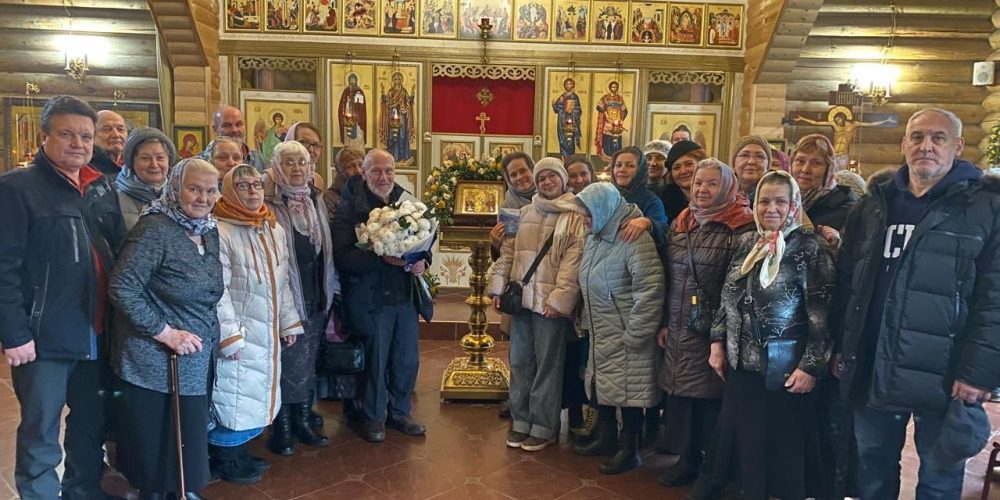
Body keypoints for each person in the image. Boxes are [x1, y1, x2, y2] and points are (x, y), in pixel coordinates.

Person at [831, 108, 1000, 499]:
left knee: (939, 477)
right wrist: (842, 345)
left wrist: (978, 373)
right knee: (871, 468)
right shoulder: (876, 204)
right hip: (875, 361)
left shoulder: (985, 207)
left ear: (957, 146)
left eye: (938, 138)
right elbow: (848, 282)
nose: (927, 146)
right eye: (918, 137)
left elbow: (995, 300)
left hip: (945, 372)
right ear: (904, 143)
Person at [0, 95, 125, 500]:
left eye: (86, 136)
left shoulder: (99, 187)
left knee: (89, 423)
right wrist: (14, 334)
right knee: (41, 428)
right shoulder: (18, 188)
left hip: (97, 328)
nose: (78, 143)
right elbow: (4, 267)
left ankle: (81, 490)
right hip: (45, 337)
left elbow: (117, 249)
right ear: (44, 136)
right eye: (67, 134)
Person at [698, 170, 834, 500]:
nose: (770, 208)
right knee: (745, 438)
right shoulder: (747, 242)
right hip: (742, 364)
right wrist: (717, 342)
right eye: (764, 201)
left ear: (794, 205)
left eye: (780, 201)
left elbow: (823, 314)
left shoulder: (810, 247)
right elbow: (727, 297)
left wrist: (811, 367)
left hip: (786, 369)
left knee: (780, 446)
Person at [109, 158, 222, 499]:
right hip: (157, 360)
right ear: (175, 187)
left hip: (194, 357)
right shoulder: (155, 229)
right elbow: (122, 287)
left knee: (186, 433)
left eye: (210, 190)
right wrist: (165, 332)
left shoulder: (207, 229)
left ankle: (180, 489)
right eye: (194, 189)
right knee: (159, 441)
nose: (203, 197)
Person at [656, 159, 753, 487]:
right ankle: (687, 459)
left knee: (712, 399)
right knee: (683, 396)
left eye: (711, 183)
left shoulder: (741, 226)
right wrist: (666, 322)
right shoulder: (682, 222)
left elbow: (738, 286)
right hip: (681, 321)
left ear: (727, 186)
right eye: (698, 183)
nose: (702, 189)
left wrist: (722, 333)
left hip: (715, 328)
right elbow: (671, 277)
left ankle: (713, 469)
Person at [210, 165, 304, 484]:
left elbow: (282, 281)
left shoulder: (271, 227)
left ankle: (240, 451)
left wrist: (289, 322)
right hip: (239, 328)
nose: (252, 192)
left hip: (266, 325)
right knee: (233, 393)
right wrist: (229, 336)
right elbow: (217, 291)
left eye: (256, 185)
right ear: (229, 190)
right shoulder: (219, 229)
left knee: (255, 391)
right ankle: (227, 458)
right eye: (243, 187)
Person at [332, 149, 430, 443]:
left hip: (405, 296)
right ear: (363, 172)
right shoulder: (351, 208)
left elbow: (425, 240)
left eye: (388, 170)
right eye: (376, 171)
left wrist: (424, 260)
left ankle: (399, 412)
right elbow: (343, 256)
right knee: (376, 358)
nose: (383, 177)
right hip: (371, 298)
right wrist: (382, 257)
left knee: (406, 358)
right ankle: (373, 416)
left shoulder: (407, 202)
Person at [488, 157, 585, 452]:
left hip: (549, 307)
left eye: (551, 177)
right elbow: (507, 253)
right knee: (519, 363)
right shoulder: (524, 212)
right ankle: (520, 422)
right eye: (542, 178)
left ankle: (544, 427)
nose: (546, 182)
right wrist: (496, 287)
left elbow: (573, 263)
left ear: (562, 179)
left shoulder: (575, 215)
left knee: (547, 367)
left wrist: (558, 301)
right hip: (522, 303)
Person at [574, 182, 664, 474]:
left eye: (587, 215)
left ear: (602, 210)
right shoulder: (596, 236)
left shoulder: (634, 239)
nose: (583, 221)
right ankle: (606, 437)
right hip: (602, 327)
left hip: (627, 329)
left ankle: (630, 449)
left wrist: (636, 332)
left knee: (630, 393)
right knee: (605, 385)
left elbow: (650, 290)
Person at [262, 141, 340, 454]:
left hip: (316, 292)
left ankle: (304, 420)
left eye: (302, 162)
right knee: (286, 362)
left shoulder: (315, 198)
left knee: (307, 362)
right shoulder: (269, 201)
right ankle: (281, 428)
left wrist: (330, 287)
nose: (297, 169)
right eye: (290, 163)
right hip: (286, 295)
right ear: (277, 166)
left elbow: (326, 248)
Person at [562, 154, 595, 438]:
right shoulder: (559, 207)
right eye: (573, 176)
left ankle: (593, 415)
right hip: (567, 294)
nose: (579, 180)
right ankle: (573, 412)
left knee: (589, 360)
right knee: (570, 358)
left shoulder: (602, 203)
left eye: (583, 174)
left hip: (595, 297)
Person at [790, 134, 857, 250]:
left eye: (816, 163)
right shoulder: (782, 201)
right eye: (800, 161)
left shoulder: (846, 208)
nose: (805, 169)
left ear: (828, 169)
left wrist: (838, 243)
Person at [117, 127, 177, 229]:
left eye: (160, 158)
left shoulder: (179, 195)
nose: (154, 164)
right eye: (145, 158)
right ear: (132, 162)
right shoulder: (114, 197)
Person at [609, 146, 668, 251]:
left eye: (630, 166)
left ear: (640, 170)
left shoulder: (651, 200)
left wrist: (647, 222)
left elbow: (664, 231)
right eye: (618, 165)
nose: (622, 170)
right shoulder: (606, 195)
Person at [199, 105, 267, 171]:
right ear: (215, 129)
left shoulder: (259, 160)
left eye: (239, 124)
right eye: (227, 125)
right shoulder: (199, 163)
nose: (234, 130)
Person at [644, 139, 685, 220]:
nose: (652, 163)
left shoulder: (676, 193)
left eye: (659, 158)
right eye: (648, 158)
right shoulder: (635, 189)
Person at [322, 147, 365, 221]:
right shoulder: (330, 197)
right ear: (340, 171)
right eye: (351, 167)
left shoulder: (367, 192)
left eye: (360, 165)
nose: (358, 171)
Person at [380, 72, 414, 163]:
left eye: (399, 79)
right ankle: (391, 156)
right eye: (395, 79)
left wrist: (412, 96)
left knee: (402, 135)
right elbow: (387, 101)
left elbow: (408, 102)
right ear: (393, 81)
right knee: (391, 136)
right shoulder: (391, 91)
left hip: (402, 114)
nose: (397, 81)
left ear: (402, 80)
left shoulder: (403, 91)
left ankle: (402, 156)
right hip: (392, 115)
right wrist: (383, 94)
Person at [730, 135, 772, 204]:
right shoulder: (721, 195)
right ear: (734, 163)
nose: (751, 162)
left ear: (768, 165)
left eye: (759, 156)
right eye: (744, 155)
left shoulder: (776, 196)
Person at [595, 81, 628, 160]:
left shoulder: (620, 98)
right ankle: (607, 158)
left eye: (615, 87)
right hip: (608, 121)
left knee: (616, 141)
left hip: (617, 122)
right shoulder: (605, 97)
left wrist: (621, 119)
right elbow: (599, 107)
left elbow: (624, 110)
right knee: (607, 140)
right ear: (610, 88)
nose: (614, 89)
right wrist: (605, 113)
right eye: (612, 87)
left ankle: (616, 157)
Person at [553, 78, 583, 160]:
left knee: (569, 141)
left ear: (573, 85)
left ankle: (570, 160)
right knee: (562, 141)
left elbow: (578, 110)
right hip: (561, 121)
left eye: (570, 84)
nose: (568, 86)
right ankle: (563, 160)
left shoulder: (574, 96)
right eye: (566, 84)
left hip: (570, 121)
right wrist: (554, 105)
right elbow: (556, 109)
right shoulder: (562, 96)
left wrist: (571, 111)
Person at [94, 110, 128, 174]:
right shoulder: (86, 168)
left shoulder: (133, 165)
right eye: (106, 129)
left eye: (120, 129)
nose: (116, 135)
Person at [339, 74, 367, 150]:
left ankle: (359, 152)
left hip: (357, 121)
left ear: (356, 81)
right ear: (348, 81)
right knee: (348, 137)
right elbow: (342, 105)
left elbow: (361, 107)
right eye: (351, 80)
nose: (352, 82)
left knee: (358, 136)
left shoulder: (359, 91)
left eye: (354, 80)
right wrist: (348, 103)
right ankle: (348, 150)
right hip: (348, 119)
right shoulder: (346, 91)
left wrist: (357, 117)